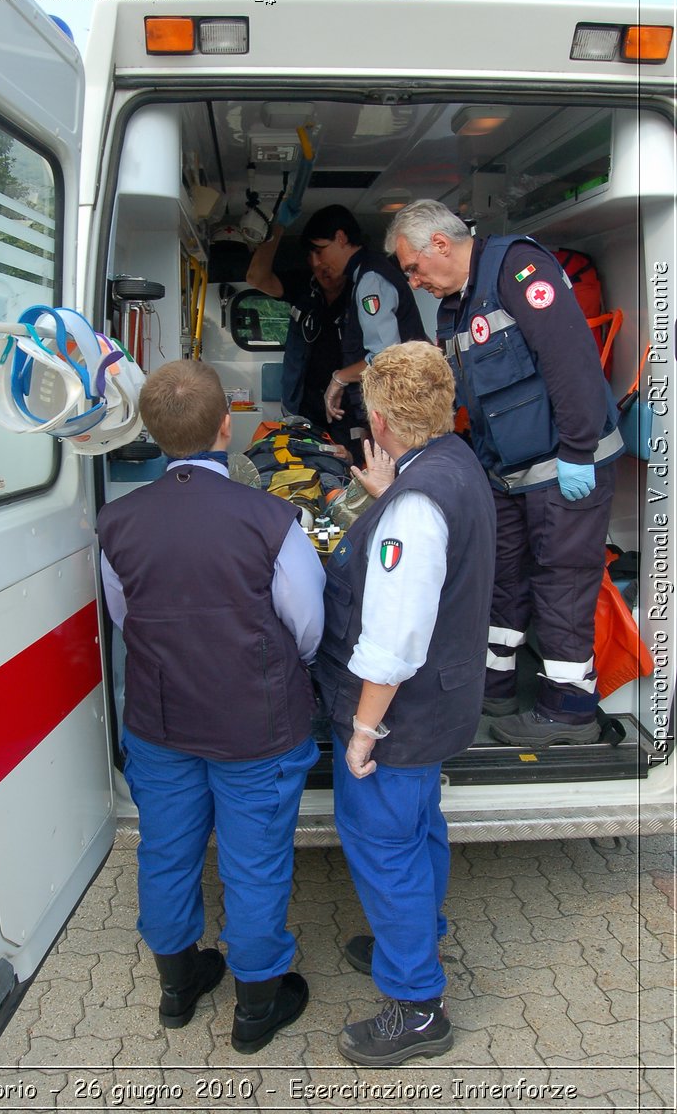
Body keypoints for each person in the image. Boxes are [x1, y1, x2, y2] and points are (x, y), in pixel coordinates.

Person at [96, 358, 326, 1054]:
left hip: (162, 721)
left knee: (167, 850)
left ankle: (178, 984)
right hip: (255, 724)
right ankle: (256, 1007)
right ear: (229, 427)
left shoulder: (117, 521)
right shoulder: (272, 518)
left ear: (151, 432)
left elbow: (124, 612)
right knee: (254, 863)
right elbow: (307, 623)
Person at [313, 341, 496, 1065]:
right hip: (443, 701)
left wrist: (362, 731)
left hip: (399, 714)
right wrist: (391, 492)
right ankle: (413, 930)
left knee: (384, 845)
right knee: (420, 830)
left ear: (380, 420)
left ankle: (418, 1005)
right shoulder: (453, 465)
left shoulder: (415, 507)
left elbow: (392, 639)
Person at [384, 199, 624, 747]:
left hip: (565, 465)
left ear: (440, 245)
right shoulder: (457, 304)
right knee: (500, 580)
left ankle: (569, 711)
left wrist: (580, 451)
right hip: (508, 473)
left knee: (561, 581)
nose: (415, 283)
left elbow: (571, 362)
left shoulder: (518, 270)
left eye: (414, 268)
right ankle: (493, 687)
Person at [296, 205, 428, 430]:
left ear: (340, 238)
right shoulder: (365, 275)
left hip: (405, 407)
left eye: (320, 251)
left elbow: (386, 357)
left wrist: (339, 378)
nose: (316, 263)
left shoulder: (371, 280)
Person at [246, 216, 358, 452]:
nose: (318, 264)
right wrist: (277, 226)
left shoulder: (361, 291)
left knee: (348, 467)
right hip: (302, 407)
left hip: (347, 408)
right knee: (302, 467)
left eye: (321, 253)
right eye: (311, 256)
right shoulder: (304, 287)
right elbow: (255, 278)